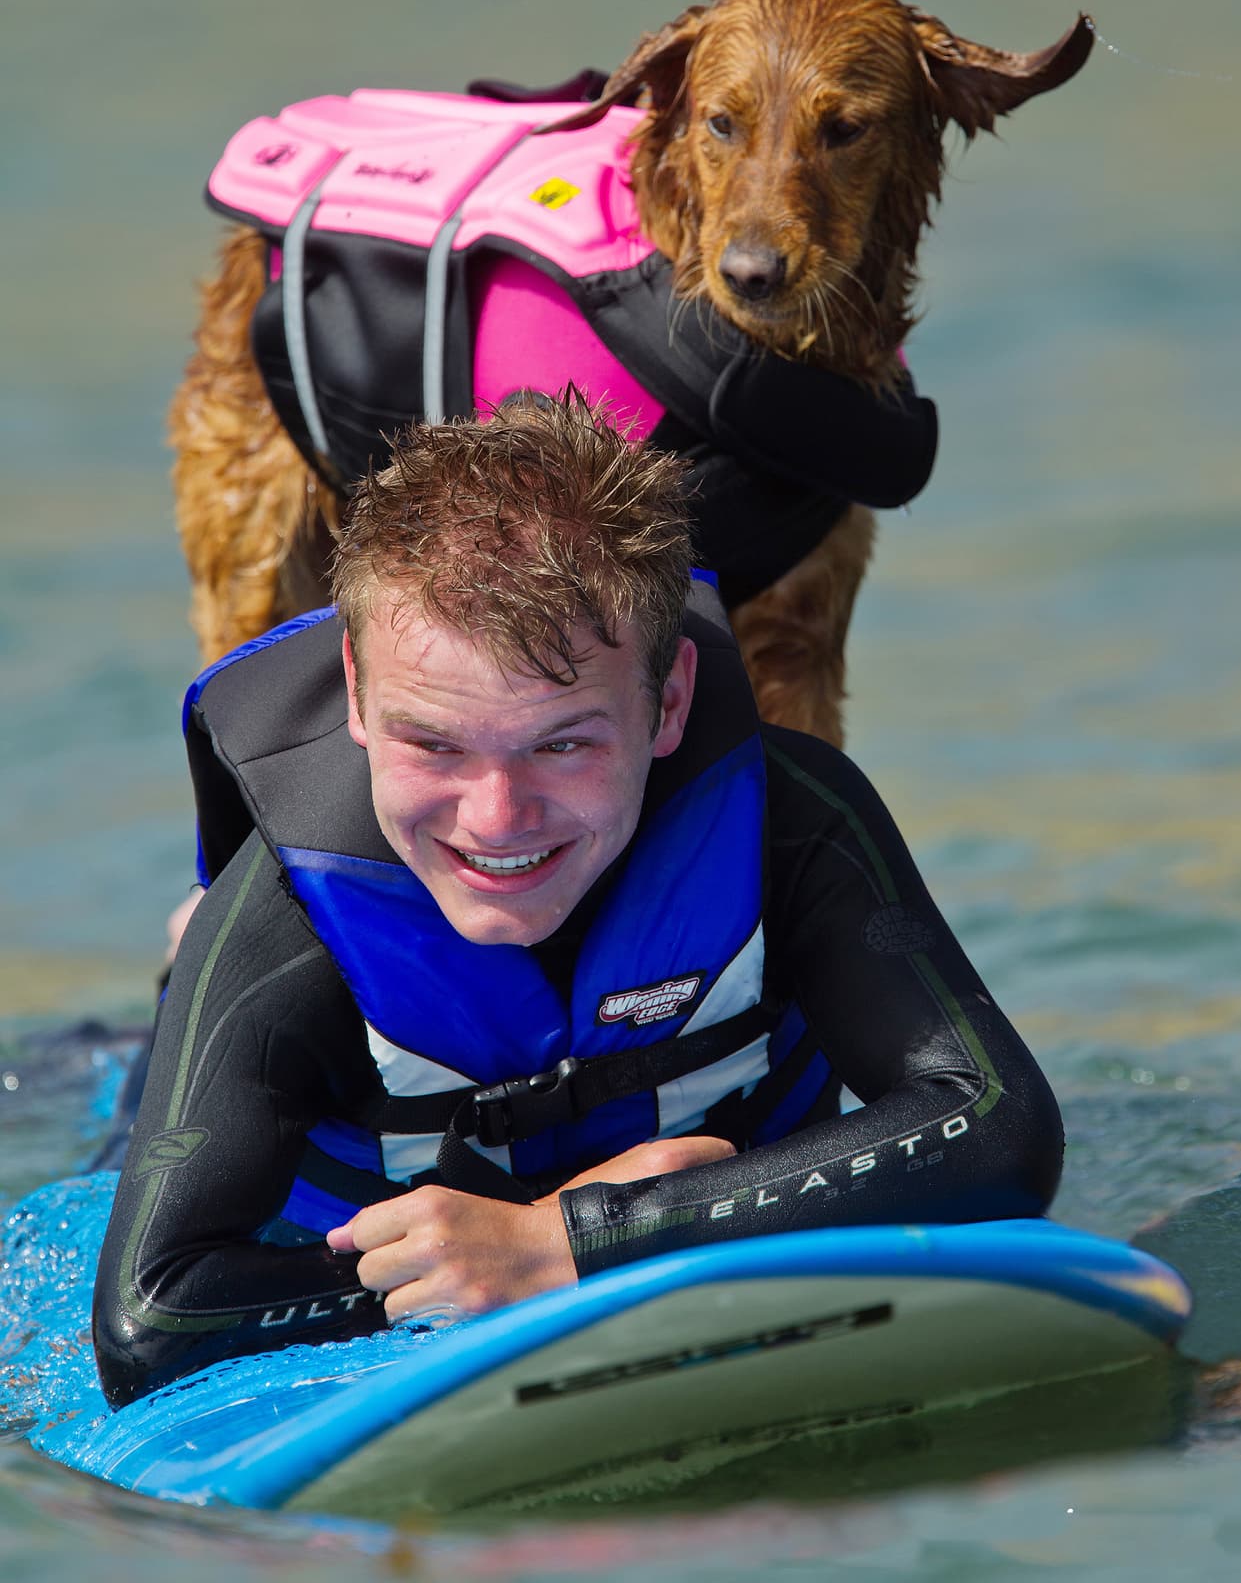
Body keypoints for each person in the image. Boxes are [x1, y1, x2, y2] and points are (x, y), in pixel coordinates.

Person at [93, 394, 1062, 1408]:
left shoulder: (791, 822)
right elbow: (151, 1321)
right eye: (434, 743)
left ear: (669, 700)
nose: (499, 817)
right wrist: (511, 1252)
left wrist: (575, 1239)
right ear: (356, 695)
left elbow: (997, 1128)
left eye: (562, 742)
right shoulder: (288, 918)